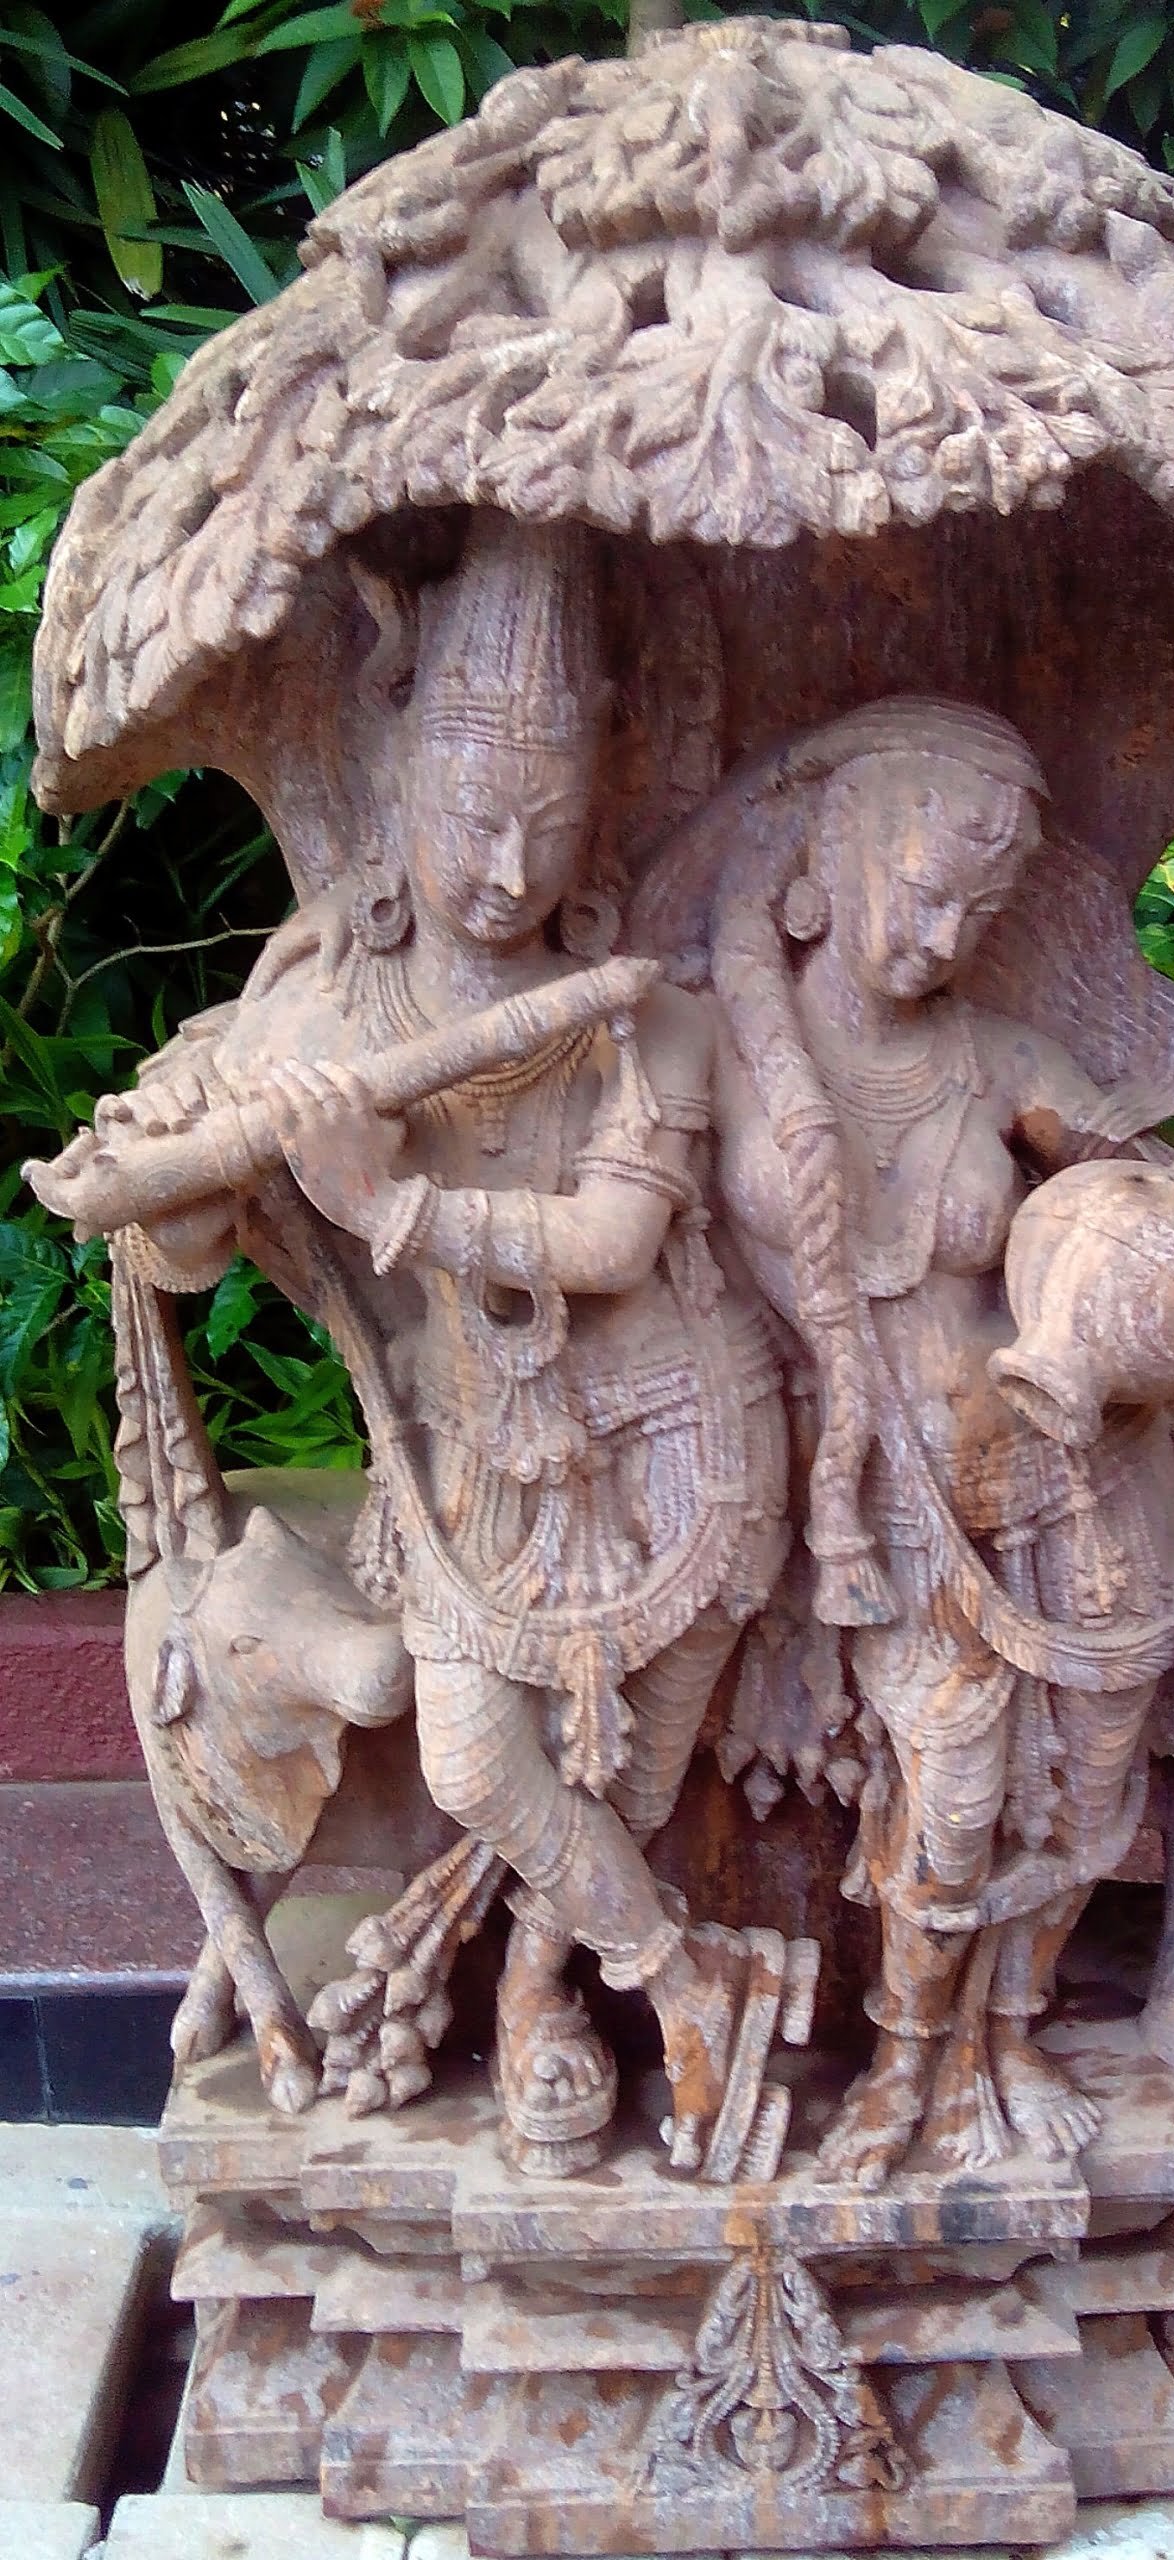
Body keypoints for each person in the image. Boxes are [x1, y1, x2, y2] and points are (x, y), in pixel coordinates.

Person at [114, 514, 790, 2178]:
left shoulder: (644, 1015)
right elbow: (190, 1250)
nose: (503, 867)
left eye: (545, 827)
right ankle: (678, 1975)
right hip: (465, 1461)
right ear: (393, 783)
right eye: (470, 818)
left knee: (625, 1779)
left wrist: (396, 1204)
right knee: (480, 1762)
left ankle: (544, 1993)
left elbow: (614, 1246)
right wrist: (177, 1186)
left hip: (685, 1447)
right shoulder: (319, 1018)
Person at [710, 701, 1174, 2183]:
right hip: (867, 1492)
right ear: (835, 854)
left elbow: (1142, 1176)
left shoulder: (995, 1056)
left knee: (1091, 1771)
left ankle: (1012, 2030)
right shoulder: (724, 1044)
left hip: (1049, 1469)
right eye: (921, 896)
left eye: (977, 914)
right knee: (959, 1784)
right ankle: (909, 2064)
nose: (941, 940)